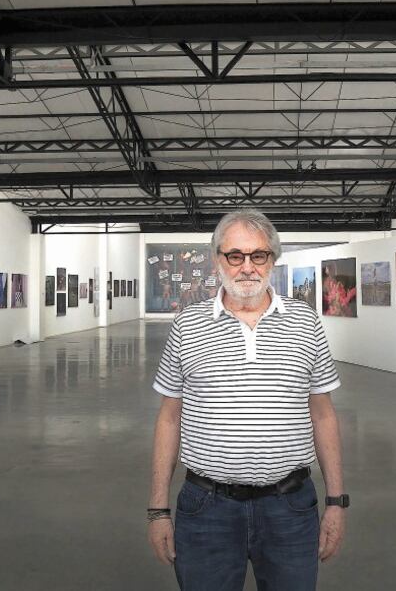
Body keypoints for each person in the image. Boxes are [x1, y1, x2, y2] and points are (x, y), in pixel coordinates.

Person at [148, 209, 348, 591]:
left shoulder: (305, 322)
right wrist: (157, 509)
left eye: (259, 255)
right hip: (207, 507)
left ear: (272, 259)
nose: (247, 267)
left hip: (290, 507)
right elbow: (169, 418)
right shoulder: (187, 325)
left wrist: (337, 502)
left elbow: (322, 414)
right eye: (235, 255)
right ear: (217, 259)